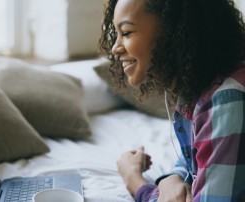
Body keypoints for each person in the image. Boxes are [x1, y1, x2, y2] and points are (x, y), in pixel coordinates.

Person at [99, 0, 245, 201]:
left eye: (126, 32)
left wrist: (133, 179)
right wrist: (172, 177)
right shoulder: (198, 85)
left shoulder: (226, 101)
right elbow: (194, 156)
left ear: (172, 30)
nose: (115, 48)